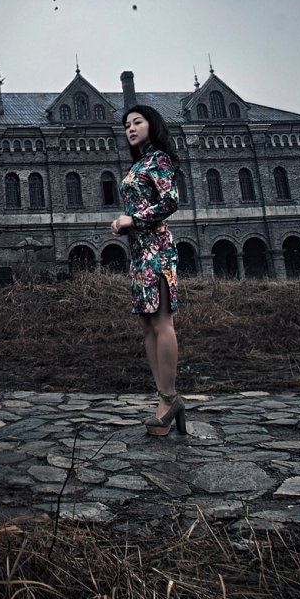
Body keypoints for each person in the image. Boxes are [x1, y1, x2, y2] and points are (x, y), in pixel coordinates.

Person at [113, 103, 186, 435]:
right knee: (146, 326)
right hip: (139, 252)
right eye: (126, 124)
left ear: (151, 125)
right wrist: (124, 224)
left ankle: (169, 398)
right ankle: (164, 398)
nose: (130, 128)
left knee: (161, 321)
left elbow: (170, 200)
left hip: (157, 248)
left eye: (137, 122)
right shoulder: (139, 163)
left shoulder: (158, 159)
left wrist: (134, 220)